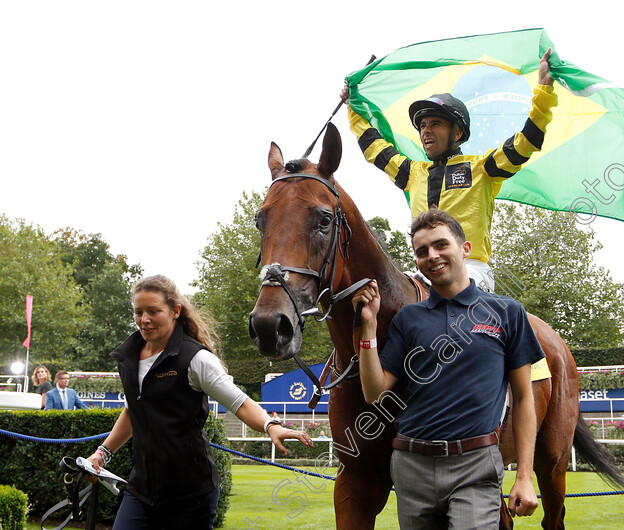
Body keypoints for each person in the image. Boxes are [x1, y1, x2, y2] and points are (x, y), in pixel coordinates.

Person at [352, 209, 543, 528]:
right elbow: (374, 392)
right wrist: (368, 329)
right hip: (410, 466)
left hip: (476, 466)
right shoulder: (408, 319)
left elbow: (524, 399)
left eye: (441, 245)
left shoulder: (508, 313)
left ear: (465, 248)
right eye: (422, 251)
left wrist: (524, 476)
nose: (432, 255)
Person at [86, 275, 313, 529]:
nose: (144, 319)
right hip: (141, 491)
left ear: (175, 311)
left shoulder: (196, 358)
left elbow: (240, 401)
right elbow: (132, 411)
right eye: (138, 312)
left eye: (153, 311)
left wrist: (271, 426)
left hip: (191, 496)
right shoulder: (128, 357)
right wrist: (102, 454)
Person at [342, 49, 558, 292]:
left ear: (456, 134)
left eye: (435, 123)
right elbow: (374, 147)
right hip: (425, 270)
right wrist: (353, 107)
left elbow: (526, 142)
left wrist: (544, 90)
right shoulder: (413, 173)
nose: (425, 130)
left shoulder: (482, 168)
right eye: (422, 125)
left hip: (472, 269)